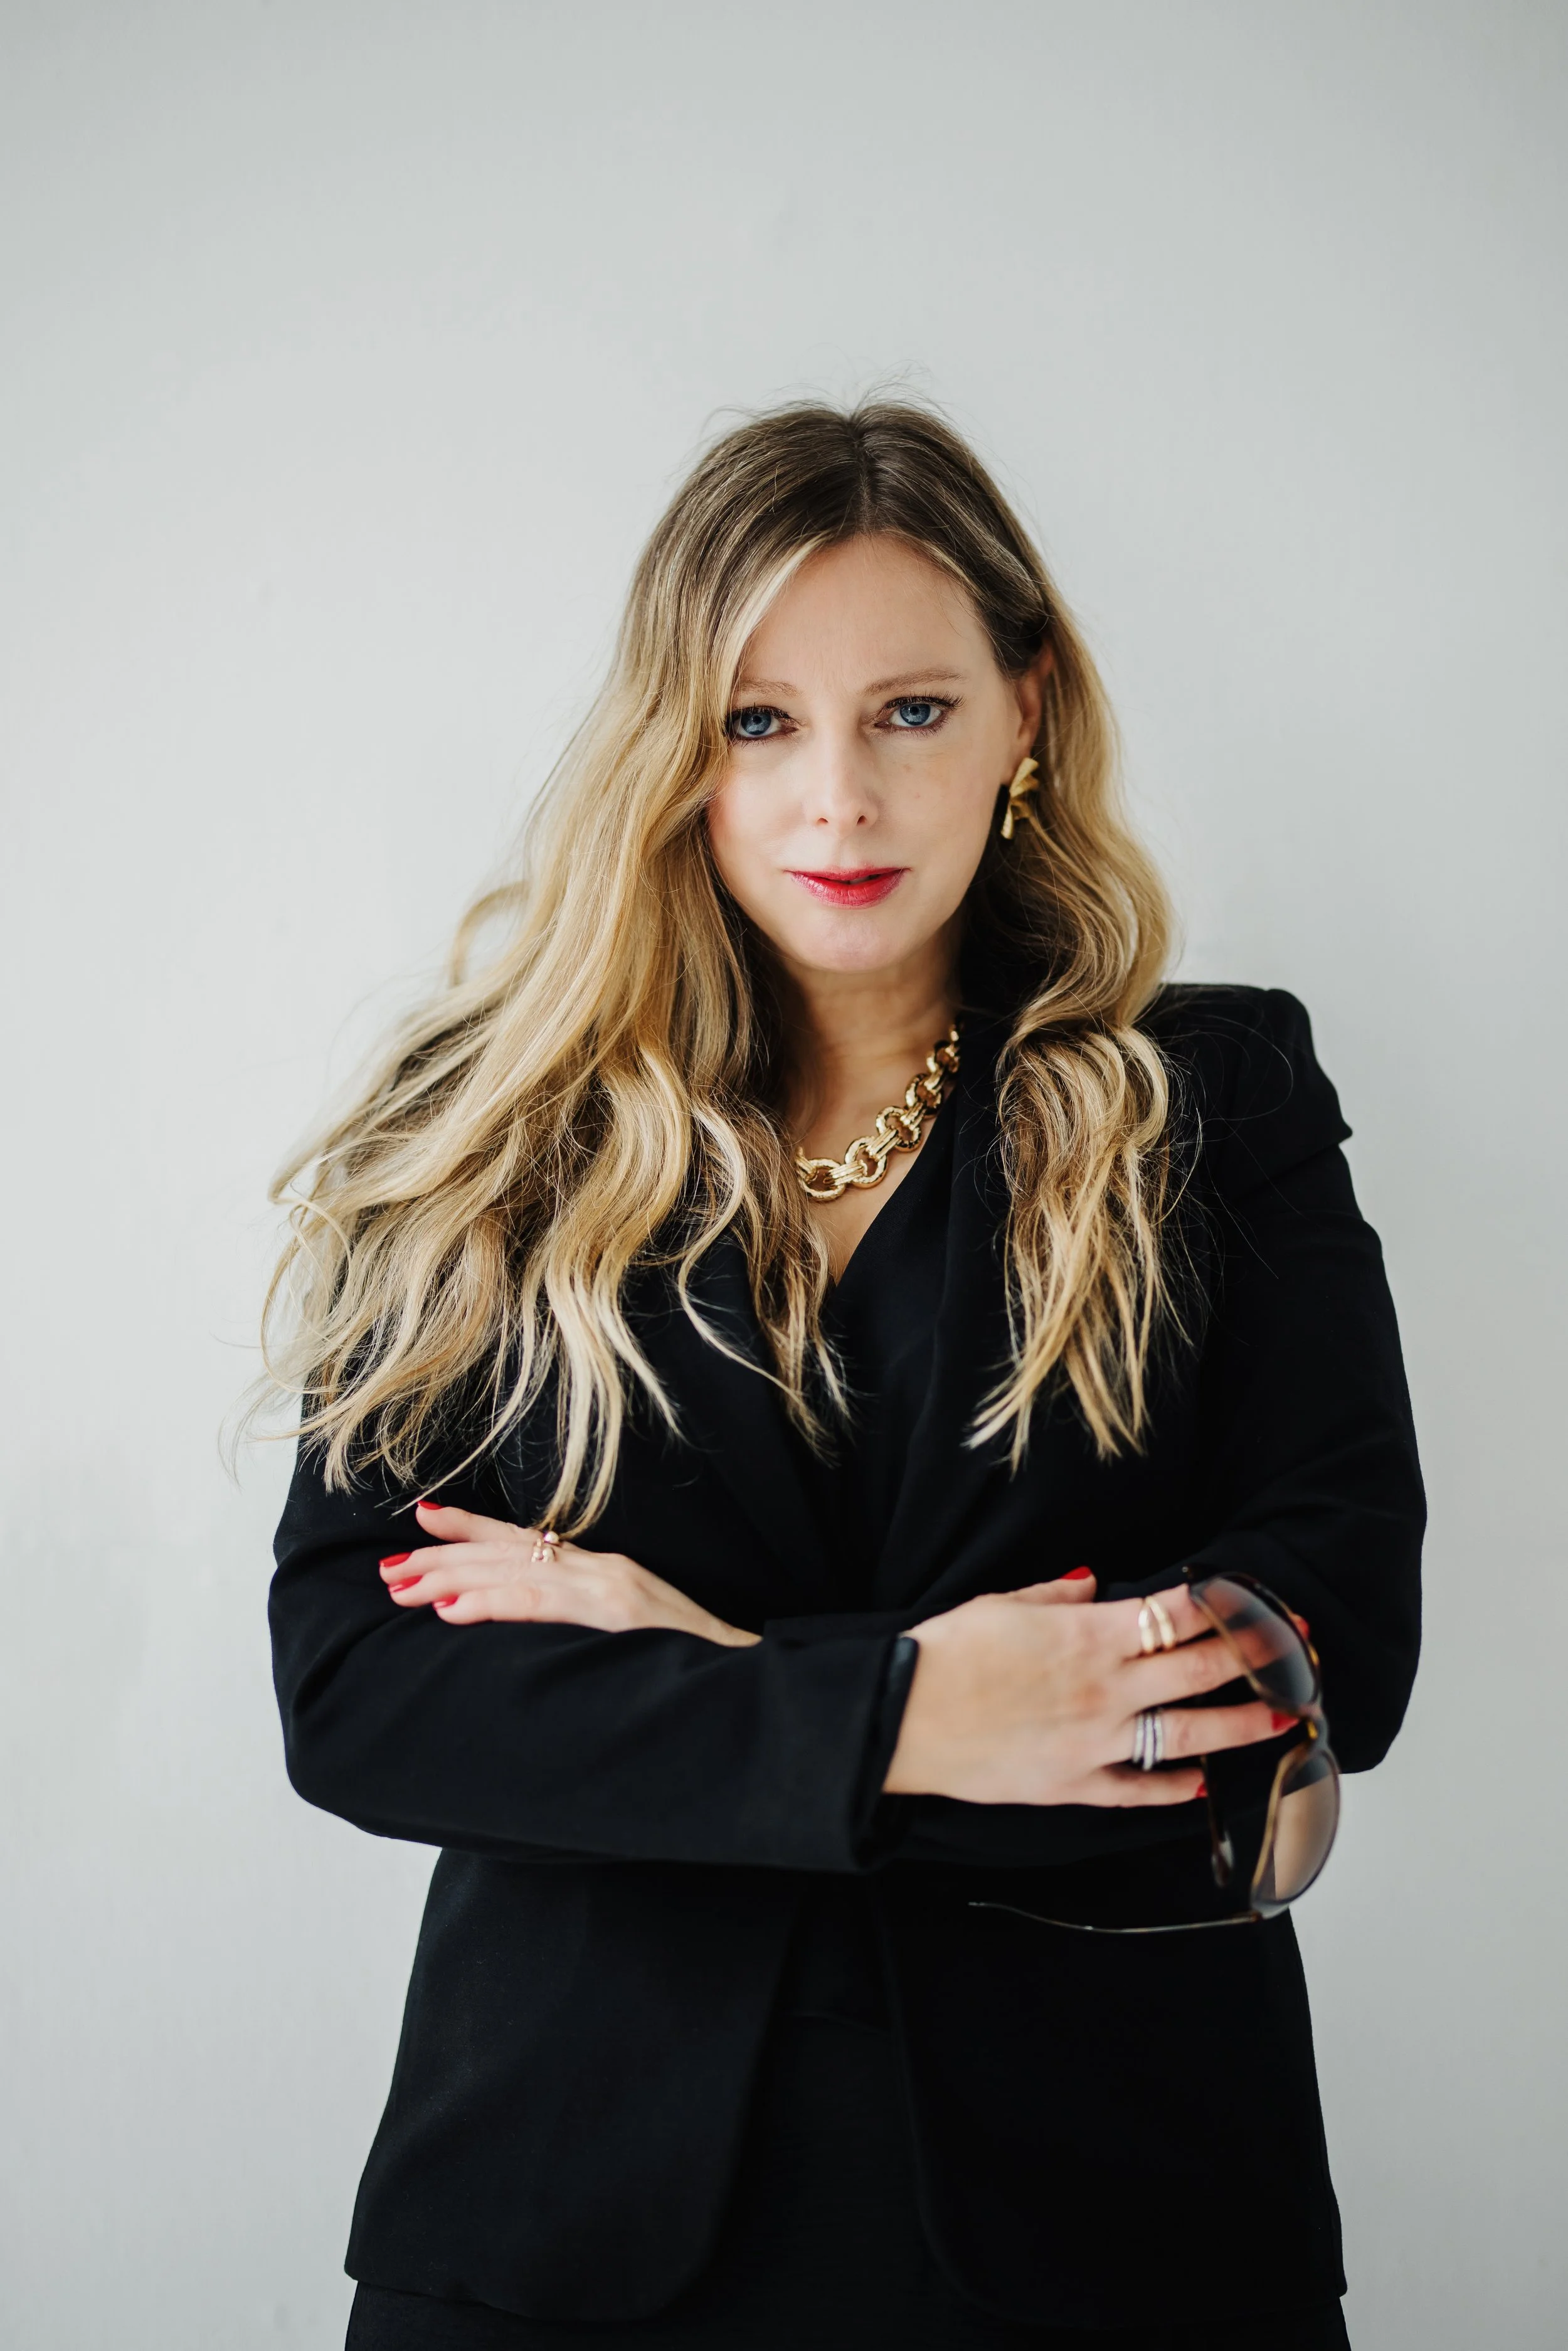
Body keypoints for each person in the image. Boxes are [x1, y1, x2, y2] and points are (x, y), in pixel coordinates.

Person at [263, 401, 1424, 2349]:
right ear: (674, 743)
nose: (838, 804)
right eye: (757, 721)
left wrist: (701, 1673)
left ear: (1023, 710)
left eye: (907, 710)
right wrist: (902, 1714)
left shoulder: (1213, 1103)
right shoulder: (483, 1131)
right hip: (566, 2232)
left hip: (1113, 2233)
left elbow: (1310, 1668)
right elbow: (368, 1693)